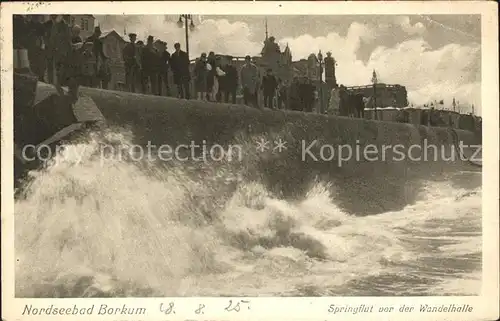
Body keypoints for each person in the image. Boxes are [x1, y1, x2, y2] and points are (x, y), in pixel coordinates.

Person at [24, 15, 46, 81]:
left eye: (37, 17)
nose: (36, 18)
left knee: (41, 63)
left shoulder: (41, 25)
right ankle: (34, 78)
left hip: (39, 47)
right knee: (32, 62)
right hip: (31, 47)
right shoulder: (28, 25)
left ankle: (41, 77)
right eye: (35, 16)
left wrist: (42, 44)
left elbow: (43, 37)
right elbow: (26, 36)